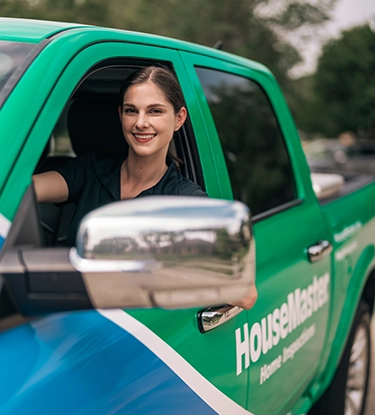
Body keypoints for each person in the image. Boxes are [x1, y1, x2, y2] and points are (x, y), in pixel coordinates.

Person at [33, 66, 257, 309]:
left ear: (179, 118)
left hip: (129, 332)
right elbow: (25, 190)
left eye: (155, 111)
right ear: (120, 115)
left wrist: (149, 266)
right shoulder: (90, 169)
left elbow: (245, 295)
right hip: (64, 315)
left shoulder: (186, 201)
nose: (141, 123)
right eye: (132, 111)